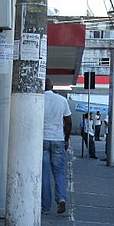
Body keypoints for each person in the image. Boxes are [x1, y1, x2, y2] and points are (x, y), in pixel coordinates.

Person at [42, 78, 71, 214]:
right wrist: (66, 138)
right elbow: (68, 121)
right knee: (59, 172)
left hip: (42, 139)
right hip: (58, 139)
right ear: (52, 86)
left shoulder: (39, 99)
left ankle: (45, 206)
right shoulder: (62, 100)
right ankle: (61, 198)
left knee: (44, 174)